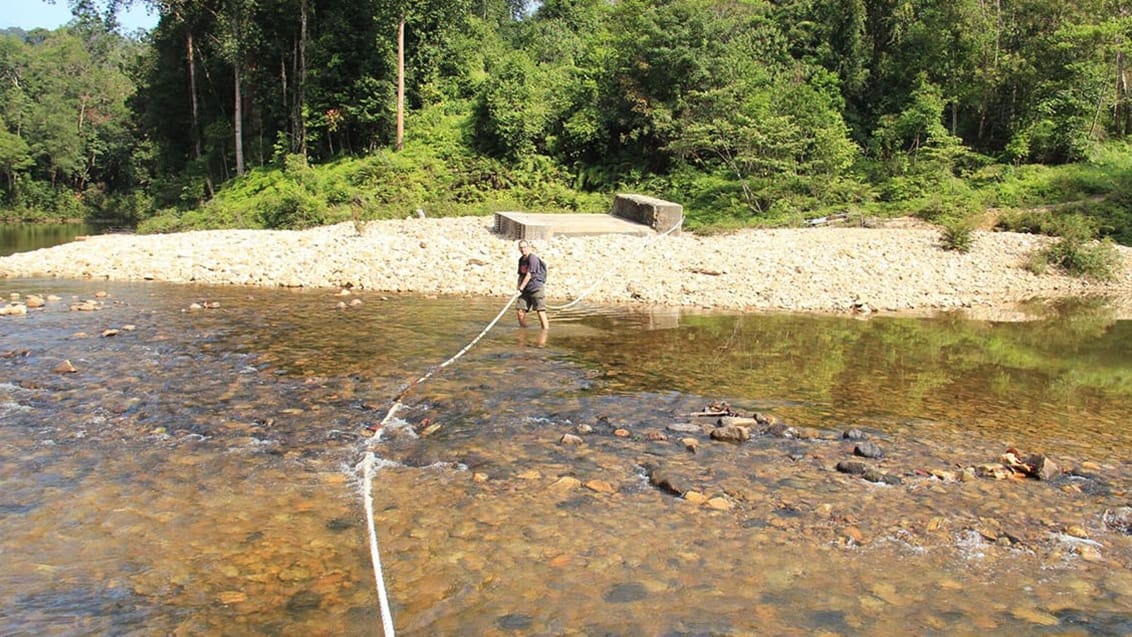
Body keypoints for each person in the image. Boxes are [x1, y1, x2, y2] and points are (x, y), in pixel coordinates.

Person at [515, 239, 549, 330]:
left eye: (524, 247)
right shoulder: (521, 260)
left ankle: (545, 331)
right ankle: (523, 331)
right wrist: (518, 287)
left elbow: (529, 274)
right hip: (525, 290)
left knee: (540, 311)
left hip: (535, 288)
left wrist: (521, 287)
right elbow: (521, 275)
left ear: (528, 247)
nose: (523, 249)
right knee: (520, 311)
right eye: (521, 248)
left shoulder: (532, 258)